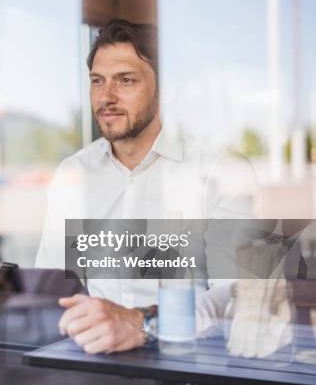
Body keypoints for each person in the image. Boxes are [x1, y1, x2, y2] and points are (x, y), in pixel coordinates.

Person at [35, 19, 256, 354]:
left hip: (192, 362)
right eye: (98, 81)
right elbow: (51, 287)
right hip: (93, 362)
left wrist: (142, 324)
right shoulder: (73, 174)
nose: (106, 96)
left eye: (125, 80)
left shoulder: (221, 171)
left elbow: (238, 294)